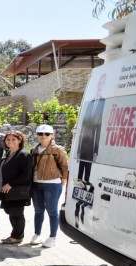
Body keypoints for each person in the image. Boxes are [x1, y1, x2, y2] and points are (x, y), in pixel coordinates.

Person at [30, 125, 68, 248]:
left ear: (52, 135)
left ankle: (52, 237)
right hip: (36, 184)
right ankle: (37, 235)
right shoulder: (34, 150)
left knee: (52, 211)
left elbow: (64, 167)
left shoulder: (58, 150)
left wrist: (63, 182)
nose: (43, 136)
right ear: (37, 135)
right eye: (40, 133)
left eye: (47, 134)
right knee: (38, 210)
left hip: (52, 184)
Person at [75, 73, 105, 225]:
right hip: (83, 147)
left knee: (88, 177)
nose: (100, 87)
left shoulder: (103, 103)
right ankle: (77, 209)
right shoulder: (88, 104)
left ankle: (85, 209)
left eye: (102, 84)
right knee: (79, 178)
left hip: (92, 147)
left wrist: (96, 151)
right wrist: (78, 150)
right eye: (99, 85)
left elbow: (99, 131)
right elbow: (82, 129)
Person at [0, 131, 33, 244]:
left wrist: (11, 184)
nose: (10, 141)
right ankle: (16, 235)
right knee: (11, 212)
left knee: (17, 214)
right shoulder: (8, 153)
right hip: (8, 191)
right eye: (8, 139)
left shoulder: (24, 155)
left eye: (14, 139)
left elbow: (26, 174)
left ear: (20, 140)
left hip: (17, 190)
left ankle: (17, 237)